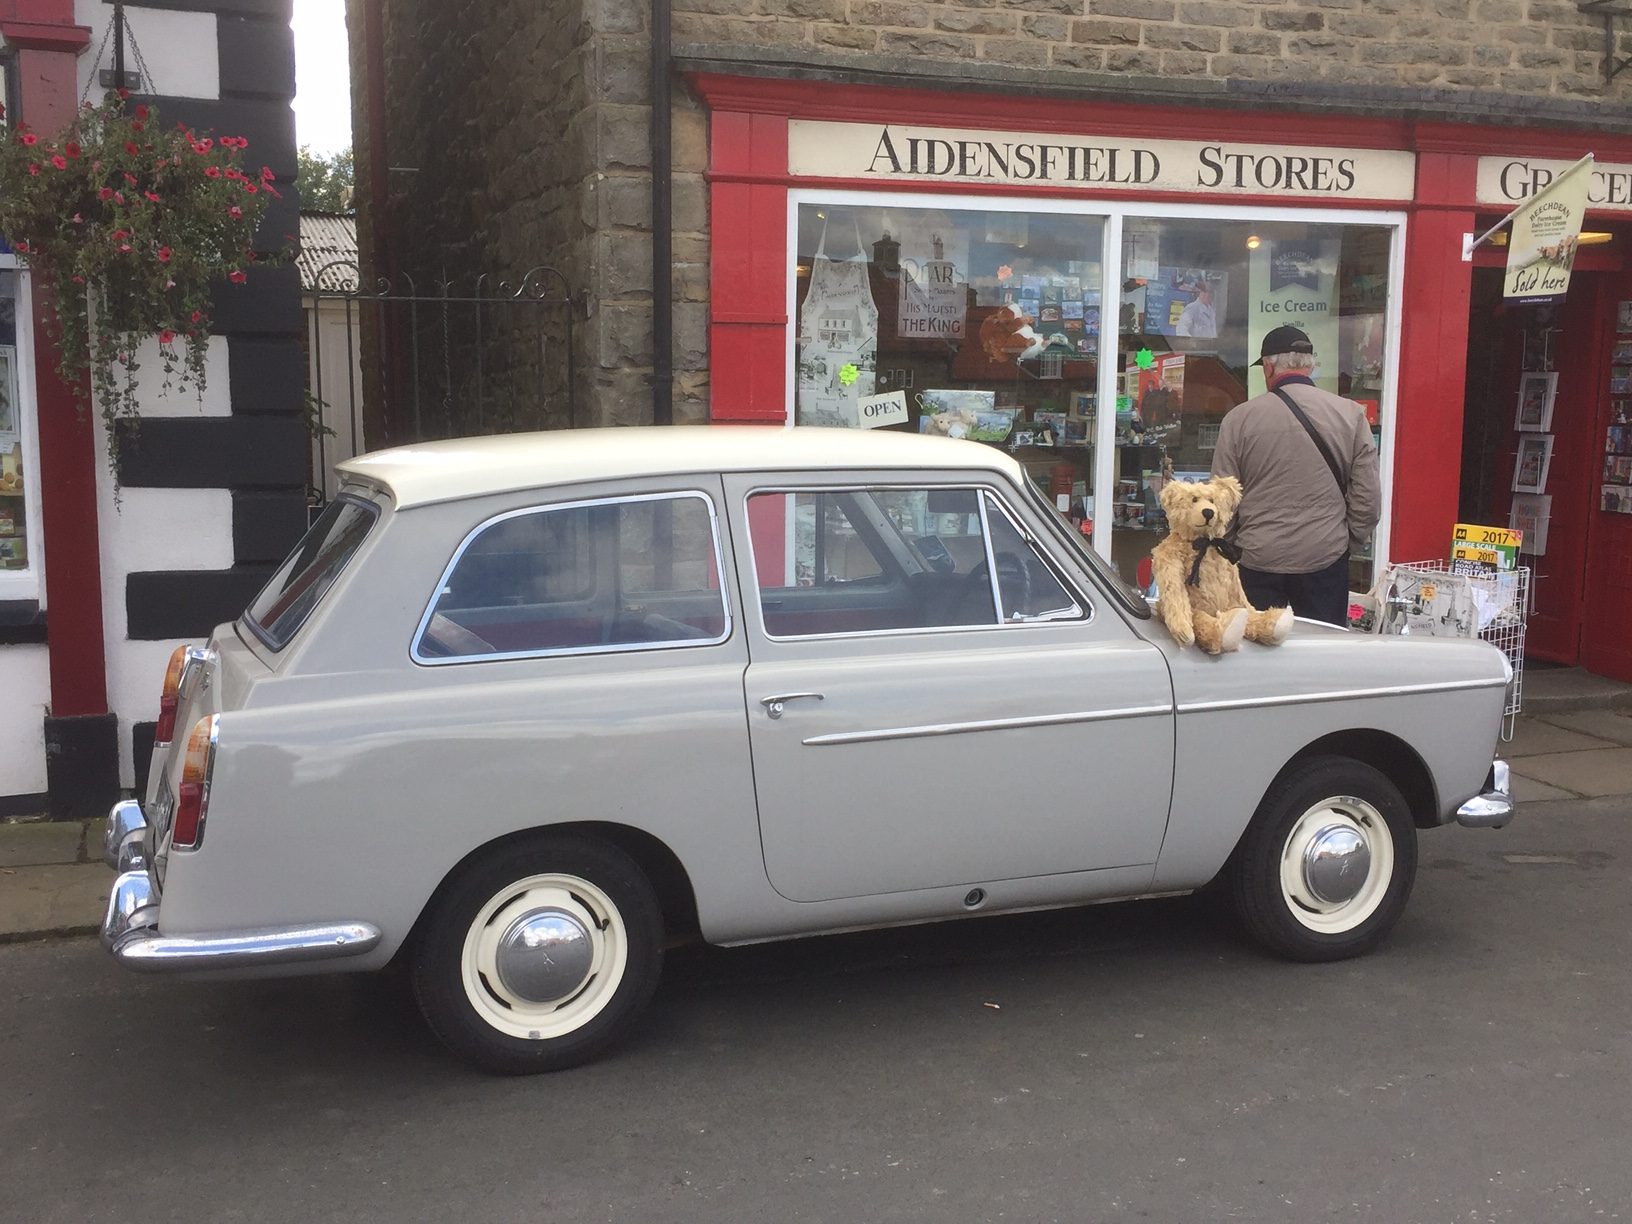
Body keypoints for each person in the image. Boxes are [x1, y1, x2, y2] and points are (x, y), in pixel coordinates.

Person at [1210, 324, 1380, 627]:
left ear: (1268, 366)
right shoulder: (1351, 415)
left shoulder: (1238, 420)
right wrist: (1345, 542)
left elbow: (1222, 501)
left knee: (1255, 648)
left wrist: (1237, 546)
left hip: (1257, 558)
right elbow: (1367, 499)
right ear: (1309, 365)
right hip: (1325, 557)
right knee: (1321, 656)